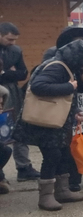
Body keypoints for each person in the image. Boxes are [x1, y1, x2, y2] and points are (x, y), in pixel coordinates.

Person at [13, 40, 83, 211]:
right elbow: (38, 87)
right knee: (52, 156)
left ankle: (62, 190)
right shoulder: (57, 67)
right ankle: (46, 196)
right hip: (45, 123)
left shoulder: (64, 66)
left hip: (55, 122)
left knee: (63, 154)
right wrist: (69, 86)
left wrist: (74, 112)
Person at [0, 22, 41, 182]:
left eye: (14, 40)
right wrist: (9, 73)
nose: (13, 43)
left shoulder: (16, 50)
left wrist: (5, 73)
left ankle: (24, 167)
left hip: (13, 91)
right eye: (9, 39)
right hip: (3, 90)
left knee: (18, 126)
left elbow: (23, 73)